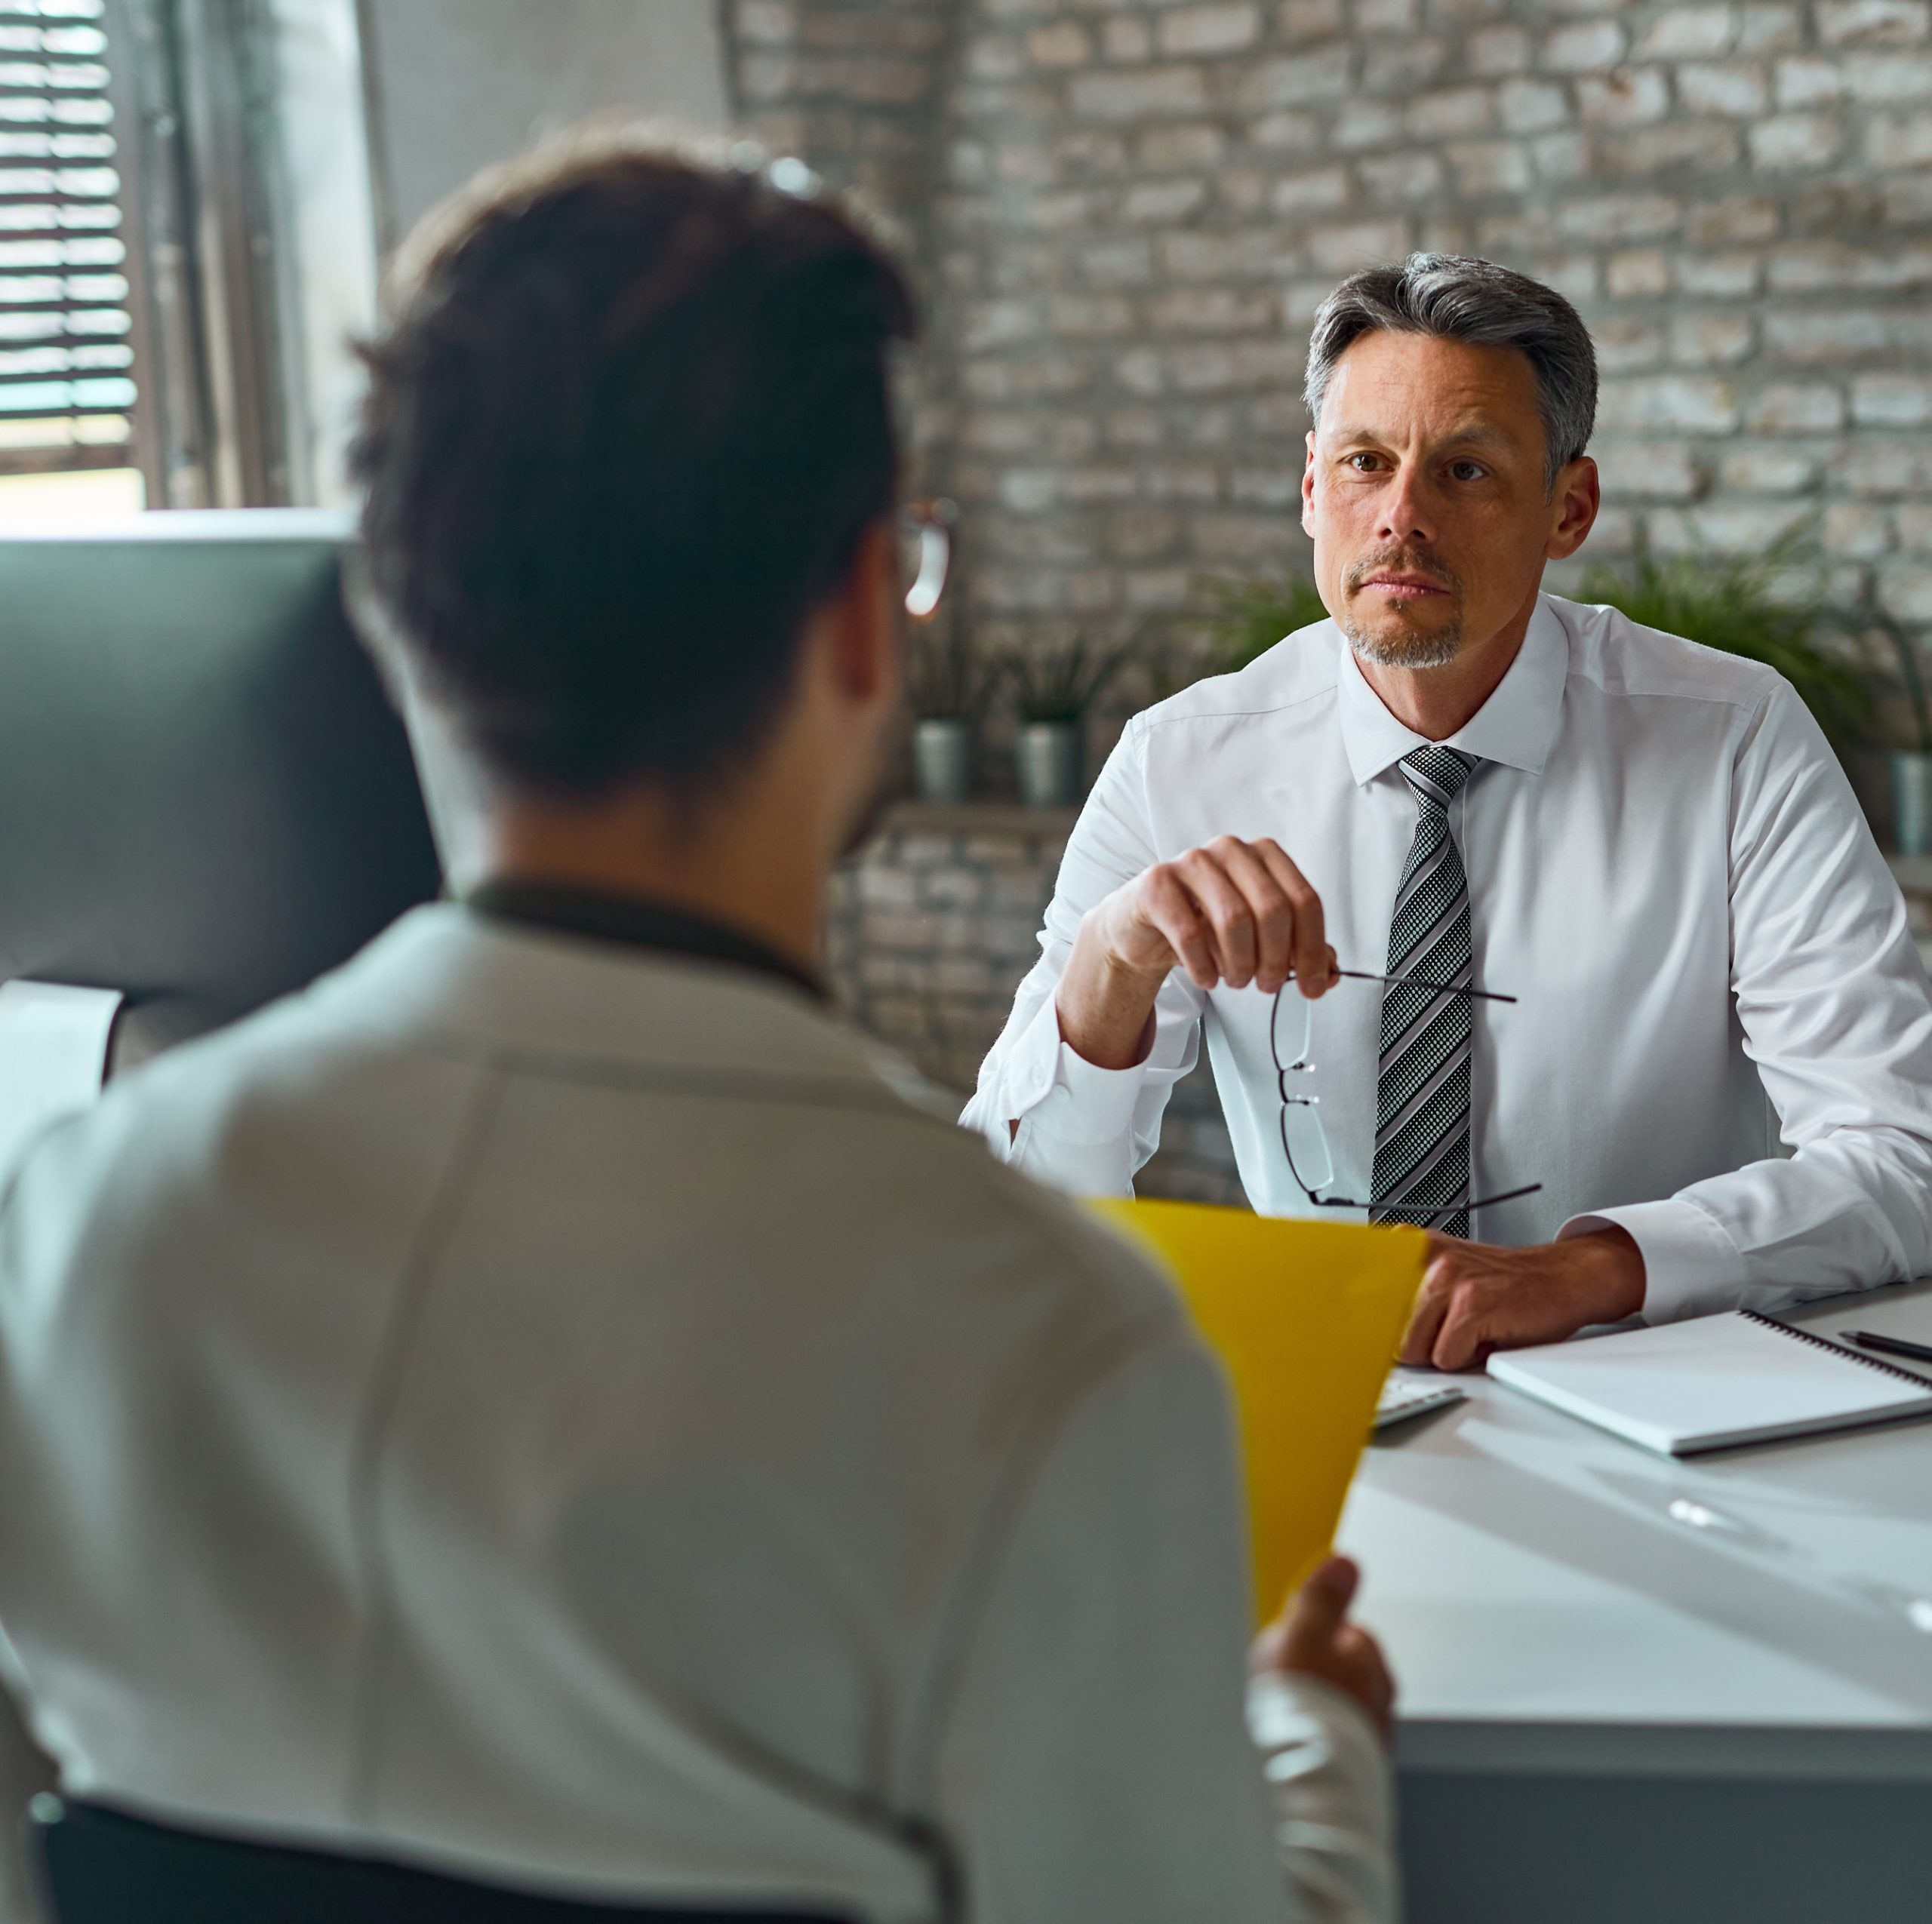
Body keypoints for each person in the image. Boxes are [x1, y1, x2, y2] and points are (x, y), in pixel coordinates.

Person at [0, 136, 1398, 1922]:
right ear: (856, 622)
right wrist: (1307, 1755)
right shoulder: (1043, 1351)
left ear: (393, 608)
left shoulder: (73, 1235)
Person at [965, 252, 1932, 1373]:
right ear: (1311, 490)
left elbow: (1903, 1152)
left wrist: (1587, 1271)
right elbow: (1012, 1213)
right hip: (1337, 1410)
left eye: (1465, 470)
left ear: (1569, 508)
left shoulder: (1735, 738)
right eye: (1365, 463)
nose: (1402, 516)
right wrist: (1109, 972)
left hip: (1662, 1398)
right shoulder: (1179, 763)